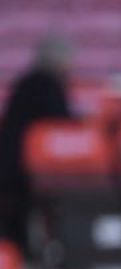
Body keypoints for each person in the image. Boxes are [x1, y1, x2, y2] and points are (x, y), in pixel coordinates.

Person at [0, 36, 72, 255]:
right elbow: (60, 120)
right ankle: (20, 257)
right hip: (21, 165)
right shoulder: (46, 84)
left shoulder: (26, 82)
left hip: (11, 160)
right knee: (18, 216)